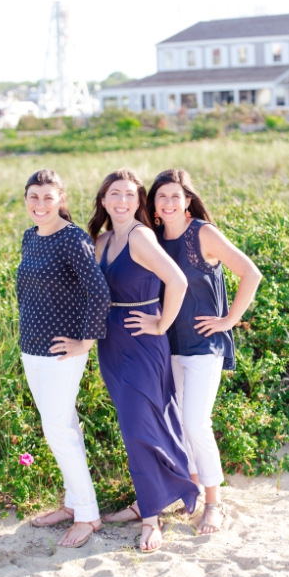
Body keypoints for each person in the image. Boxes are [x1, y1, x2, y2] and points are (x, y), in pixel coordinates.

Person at [107, 168, 262, 534]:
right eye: (161, 197)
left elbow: (250, 273)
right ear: (154, 205)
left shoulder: (203, 234)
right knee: (172, 425)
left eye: (176, 196)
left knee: (195, 422)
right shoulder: (152, 237)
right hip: (164, 347)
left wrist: (228, 320)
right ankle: (182, 490)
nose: (169, 202)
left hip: (203, 346)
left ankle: (213, 502)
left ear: (188, 200)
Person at [89, 168, 199, 553]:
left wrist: (161, 323)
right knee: (134, 425)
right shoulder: (101, 241)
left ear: (139, 203)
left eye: (130, 195)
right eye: (114, 194)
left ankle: (151, 519)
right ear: (103, 200)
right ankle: (154, 496)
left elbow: (178, 281)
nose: (122, 201)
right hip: (111, 344)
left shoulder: (140, 236)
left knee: (140, 428)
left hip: (142, 339)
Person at [17, 169, 111, 548]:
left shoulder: (72, 238)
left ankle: (88, 515)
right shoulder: (29, 237)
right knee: (63, 426)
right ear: (26, 199)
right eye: (33, 197)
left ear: (61, 200)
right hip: (31, 347)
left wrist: (86, 342)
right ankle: (74, 503)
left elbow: (99, 292)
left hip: (61, 351)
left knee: (57, 429)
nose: (40, 205)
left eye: (47, 197)